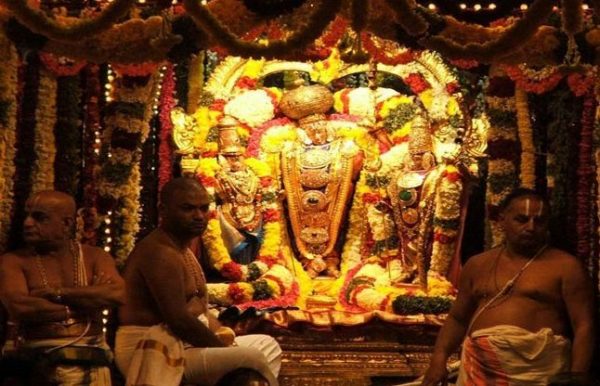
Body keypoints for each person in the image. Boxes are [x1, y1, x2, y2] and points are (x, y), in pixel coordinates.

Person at [115, 177, 281, 386]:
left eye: (204, 208)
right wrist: (223, 349)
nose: (199, 216)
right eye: (188, 209)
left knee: (267, 346)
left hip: (184, 344)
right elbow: (179, 320)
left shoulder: (181, 249)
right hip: (149, 349)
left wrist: (221, 332)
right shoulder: (159, 252)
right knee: (250, 358)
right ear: (163, 210)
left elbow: (199, 309)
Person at [421, 187, 595, 386]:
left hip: (539, 372)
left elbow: (584, 326)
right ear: (502, 220)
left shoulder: (566, 266)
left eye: (539, 221)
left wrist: (577, 377)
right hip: (479, 369)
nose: (531, 227)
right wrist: (438, 359)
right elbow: (458, 318)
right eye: (521, 219)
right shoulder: (478, 264)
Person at [0, 190, 125, 386]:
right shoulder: (13, 261)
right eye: (27, 215)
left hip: (92, 360)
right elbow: (20, 308)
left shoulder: (95, 256)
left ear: (66, 223)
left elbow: (118, 294)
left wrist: (57, 293)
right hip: (39, 367)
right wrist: (89, 301)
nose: (27, 223)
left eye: (39, 217)